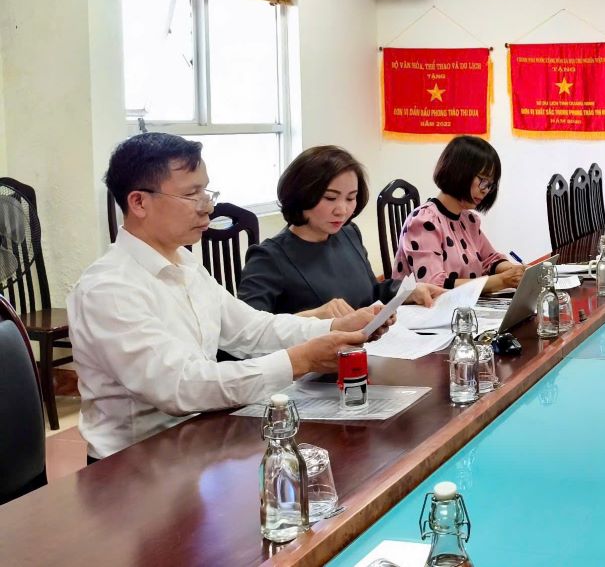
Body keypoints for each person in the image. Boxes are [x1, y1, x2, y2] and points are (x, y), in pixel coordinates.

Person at [69, 133, 393, 460]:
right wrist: (301, 360)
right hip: (133, 464)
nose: (207, 207)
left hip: (199, 438)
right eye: (192, 194)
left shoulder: (186, 264)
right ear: (139, 202)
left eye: (206, 191)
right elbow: (182, 387)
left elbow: (251, 330)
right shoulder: (109, 288)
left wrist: (335, 327)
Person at [238, 145, 442, 316]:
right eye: (330, 198)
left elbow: (371, 292)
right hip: (315, 359)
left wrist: (408, 291)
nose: (342, 210)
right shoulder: (269, 257)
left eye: (351, 198)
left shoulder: (349, 233)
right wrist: (314, 316)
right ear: (301, 195)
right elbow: (248, 333)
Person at [393, 135, 524, 293]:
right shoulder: (424, 221)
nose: (485, 190)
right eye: (482, 180)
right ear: (459, 171)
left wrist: (514, 271)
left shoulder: (469, 220)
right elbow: (435, 285)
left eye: (490, 185)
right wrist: (501, 281)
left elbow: (490, 259)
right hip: (426, 312)